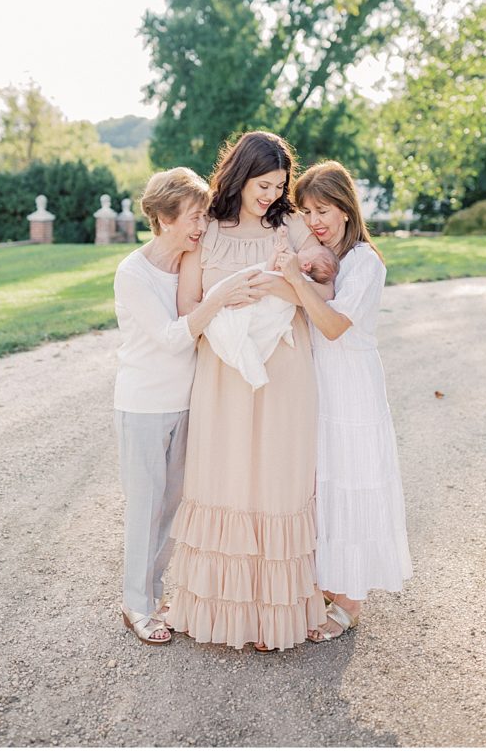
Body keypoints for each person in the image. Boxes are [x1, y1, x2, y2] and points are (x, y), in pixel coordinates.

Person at [165, 132, 331, 651]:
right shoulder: (206, 231)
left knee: (278, 479)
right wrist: (224, 296)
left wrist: (283, 287)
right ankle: (216, 608)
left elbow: (325, 289)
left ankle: (277, 613)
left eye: (279, 186)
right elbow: (186, 306)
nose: (270, 195)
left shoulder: (293, 226)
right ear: (240, 175)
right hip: (223, 375)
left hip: (284, 371)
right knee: (226, 478)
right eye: (264, 184)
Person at [114, 167, 266, 646]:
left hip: (186, 405)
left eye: (204, 216)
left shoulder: (186, 264)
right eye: (194, 217)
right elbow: (170, 338)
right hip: (143, 405)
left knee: (172, 507)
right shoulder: (133, 273)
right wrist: (217, 299)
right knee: (146, 506)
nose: (202, 226)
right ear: (163, 217)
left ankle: (153, 595)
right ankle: (135, 605)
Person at [276, 160, 412, 641]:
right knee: (323, 486)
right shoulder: (323, 259)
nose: (315, 220)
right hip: (319, 388)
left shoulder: (363, 262)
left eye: (324, 209)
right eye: (308, 210)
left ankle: (350, 602)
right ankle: (329, 583)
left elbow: (333, 326)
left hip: (352, 388)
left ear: (346, 208)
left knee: (351, 482)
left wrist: (294, 280)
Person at [203, 228, 339, 390]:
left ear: (306, 265)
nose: (303, 249)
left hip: (266, 308)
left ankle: (251, 360)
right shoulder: (296, 271)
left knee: (239, 323)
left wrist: (274, 279)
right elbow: (274, 266)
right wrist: (281, 241)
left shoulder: (295, 275)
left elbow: (269, 272)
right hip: (263, 304)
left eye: (307, 251)